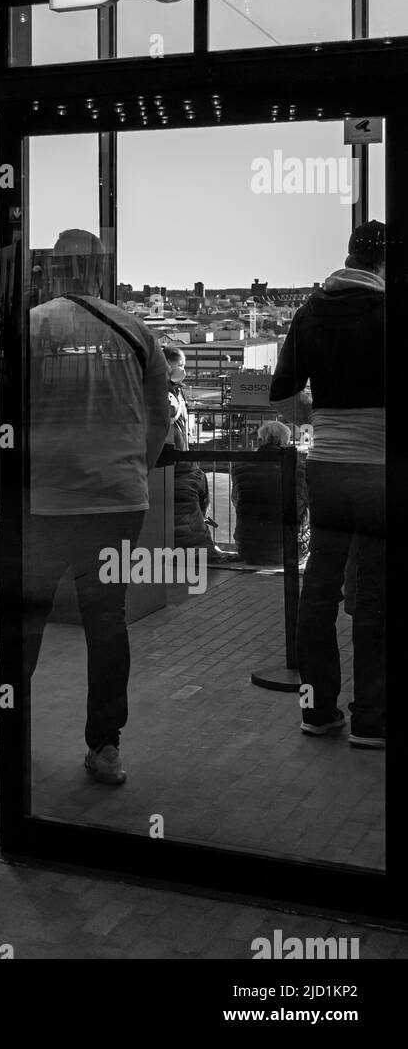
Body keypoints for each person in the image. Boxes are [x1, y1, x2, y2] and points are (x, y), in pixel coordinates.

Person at [0, 229, 170, 784]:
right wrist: (130, 474)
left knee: (25, 620)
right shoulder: (137, 330)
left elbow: (0, 425)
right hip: (116, 502)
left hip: (42, 504)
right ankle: (105, 746)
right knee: (107, 623)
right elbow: (160, 420)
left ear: (51, 271)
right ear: (101, 272)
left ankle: (3, 717)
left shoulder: (26, 329)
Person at [270, 220, 385, 749]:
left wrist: (325, 418)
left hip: (328, 466)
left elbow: (283, 393)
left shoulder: (310, 312)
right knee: (378, 596)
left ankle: (317, 711)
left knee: (319, 588)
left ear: (350, 255)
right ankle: (372, 719)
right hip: (381, 469)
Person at [160, 345, 229, 562]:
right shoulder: (163, 390)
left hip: (179, 458)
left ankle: (203, 545)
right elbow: (167, 414)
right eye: (180, 365)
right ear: (167, 364)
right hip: (174, 459)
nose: (183, 370)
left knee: (195, 490)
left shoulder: (174, 389)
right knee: (188, 499)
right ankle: (202, 549)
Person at [230, 420, 308, 565]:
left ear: (261, 440)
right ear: (285, 441)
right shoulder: (300, 468)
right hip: (290, 551)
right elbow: (306, 503)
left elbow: (236, 500)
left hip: (248, 549)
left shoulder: (240, 467)